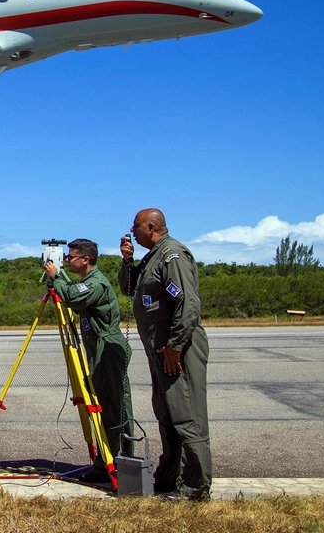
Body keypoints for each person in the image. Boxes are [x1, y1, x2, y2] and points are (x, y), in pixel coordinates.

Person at [119, 208, 212, 501]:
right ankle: (170, 475)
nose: (132, 231)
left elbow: (187, 305)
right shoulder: (154, 256)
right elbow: (129, 289)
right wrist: (127, 261)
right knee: (167, 413)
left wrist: (175, 347)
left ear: (151, 226)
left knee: (186, 414)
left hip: (177, 348)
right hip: (161, 349)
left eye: (136, 226)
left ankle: (196, 486)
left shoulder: (173, 255)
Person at [44, 237, 134, 482]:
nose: (67, 260)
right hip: (98, 349)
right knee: (108, 407)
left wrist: (57, 276)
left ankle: (113, 464)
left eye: (71, 257)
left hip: (107, 349)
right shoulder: (85, 281)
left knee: (111, 409)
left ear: (85, 259)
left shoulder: (95, 284)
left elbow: (72, 297)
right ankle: (109, 461)